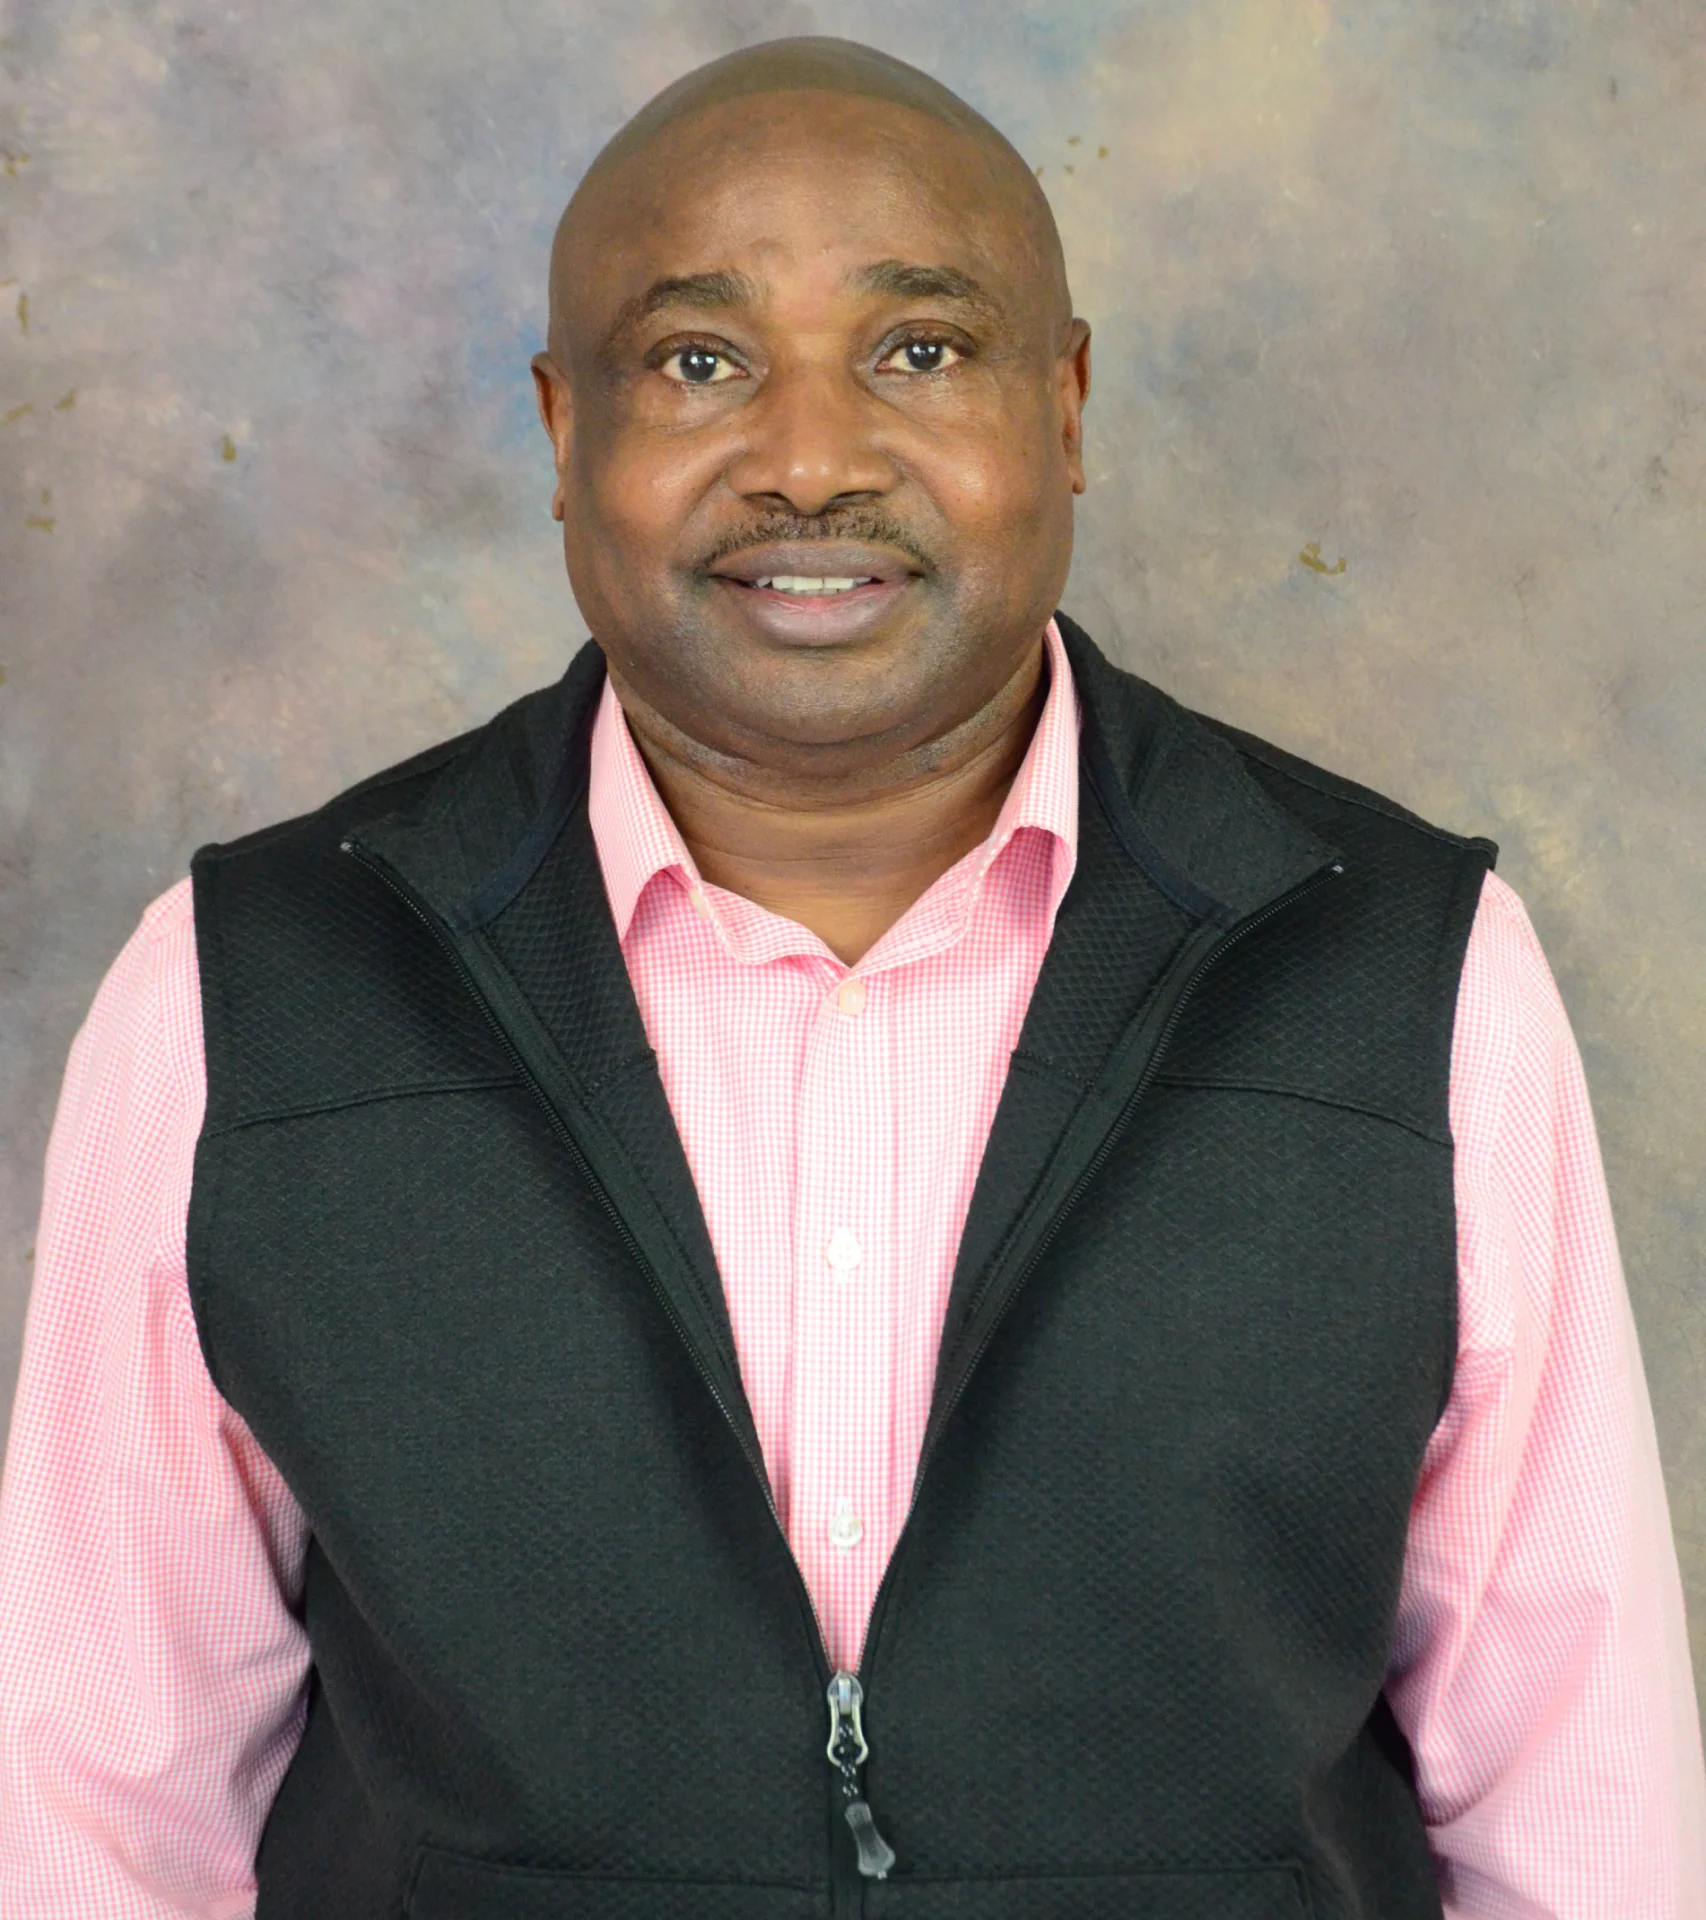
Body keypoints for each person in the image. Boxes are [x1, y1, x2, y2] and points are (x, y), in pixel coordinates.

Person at [0, 34, 1700, 1920]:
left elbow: (1585, 1810)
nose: (808, 457)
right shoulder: (249, 995)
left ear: (1061, 410)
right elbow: (86, 1815)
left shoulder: (1407, 968)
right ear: (565, 437)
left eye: (920, 348)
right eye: (699, 360)